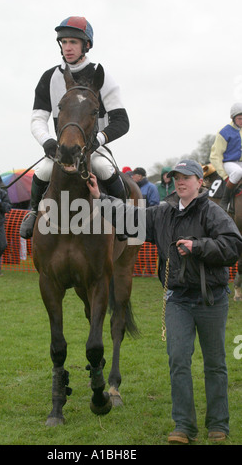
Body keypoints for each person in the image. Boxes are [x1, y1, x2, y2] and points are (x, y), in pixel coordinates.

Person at [86, 159, 242, 444]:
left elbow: (233, 245)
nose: (180, 182)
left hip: (211, 300)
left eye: (186, 178)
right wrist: (100, 198)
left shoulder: (213, 212)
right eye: (176, 178)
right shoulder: (163, 213)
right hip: (177, 299)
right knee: (178, 361)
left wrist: (199, 246)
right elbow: (129, 216)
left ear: (199, 182)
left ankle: (219, 424)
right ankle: (183, 426)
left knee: (215, 364)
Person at [20, 16, 130, 239]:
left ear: (86, 45)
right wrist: (47, 141)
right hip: (62, 148)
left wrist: (97, 140)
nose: (67, 48)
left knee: (104, 169)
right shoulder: (49, 77)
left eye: (73, 42)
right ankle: (33, 212)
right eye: (64, 42)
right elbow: (37, 118)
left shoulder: (102, 75)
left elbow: (121, 121)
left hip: (93, 147)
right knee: (42, 171)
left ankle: (123, 218)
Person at [210, 102, 242, 211]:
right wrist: (225, 176)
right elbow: (215, 156)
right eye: (240, 118)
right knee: (238, 172)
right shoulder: (224, 132)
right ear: (233, 118)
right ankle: (225, 200)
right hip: (230, 162)